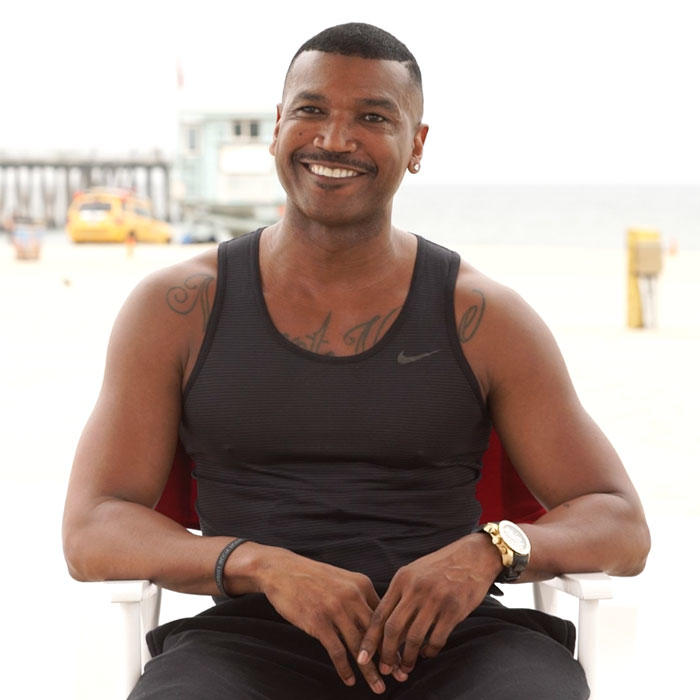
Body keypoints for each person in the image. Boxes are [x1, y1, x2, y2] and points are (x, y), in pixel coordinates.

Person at [62, 23, 650, 699]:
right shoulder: (177, 309)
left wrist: (490, 551)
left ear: (417, 145)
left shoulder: (486, 319)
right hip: (250, 641)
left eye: (372, 117)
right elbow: (92, 527)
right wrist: (260, 565)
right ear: (279, 124)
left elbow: (619, 521)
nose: (334, 139)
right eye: (311, 110)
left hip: (458, 642)